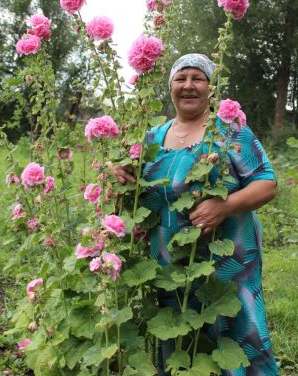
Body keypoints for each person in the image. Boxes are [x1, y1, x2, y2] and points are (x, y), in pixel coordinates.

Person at [112, 53, 279, 375]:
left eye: (197, 78)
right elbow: (138, 201)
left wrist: (226, 205)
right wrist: (120, 179)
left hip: (229, 263)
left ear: (211, 88)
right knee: (181, 341)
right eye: (181, 78)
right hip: (172, 267)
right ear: (170, 86)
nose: (188, 86)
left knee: (237, 335)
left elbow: (267, 184)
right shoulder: (151, 139)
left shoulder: (229, 132)